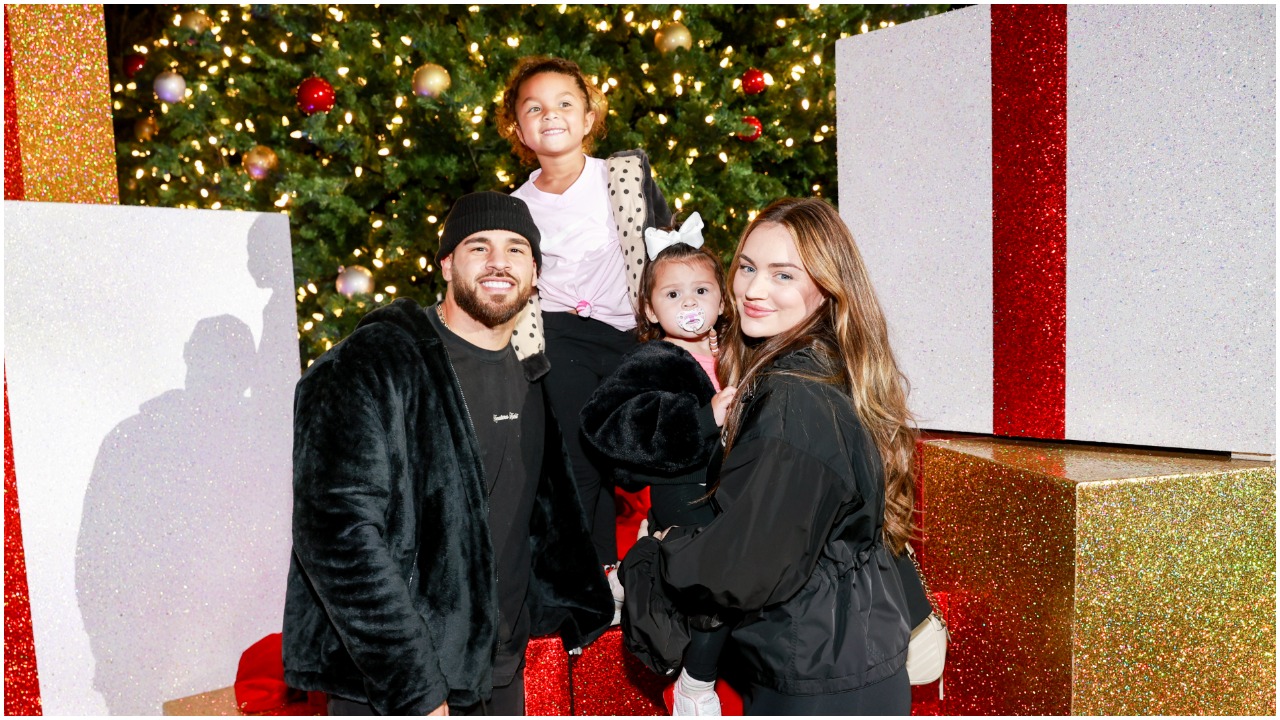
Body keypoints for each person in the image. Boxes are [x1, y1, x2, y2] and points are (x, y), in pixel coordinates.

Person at [283, 191, 614, 716]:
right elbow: (337, 536)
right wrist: (415, 687)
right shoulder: (374, 365)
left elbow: (535, 519)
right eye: (478, 247)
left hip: (498, 673)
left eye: (515, 250)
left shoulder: (531, 378)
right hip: (397, 687)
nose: (498, 262)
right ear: (445, 263)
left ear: (534, 273)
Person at [622, 197, 918, 715]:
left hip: (816, 678)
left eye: (783, 275)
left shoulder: (794, 396)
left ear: (827, 288)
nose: (753, 290)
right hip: (840, 660)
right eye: (748, 268)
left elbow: (740, 566)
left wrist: (652, 556)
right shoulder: (823, 367)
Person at [498, 55, 672, 570]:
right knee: (579, 459)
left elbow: (663, 246)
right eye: (535, 108)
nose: (550, 115)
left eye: (564, 103)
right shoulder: (516, 206)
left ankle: (667, 562)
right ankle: (596, 579)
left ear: (589, 117)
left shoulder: (620, 178)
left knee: (643, 452)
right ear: (519, 128)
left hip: (629, 333)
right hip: (560, 336)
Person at [580, 213, 738, 716]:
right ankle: (696, 684)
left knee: (741, 567)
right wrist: (702, 419)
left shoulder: (736, 353)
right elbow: (604, 424)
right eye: (672, 295)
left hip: (735, 493)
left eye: (700, 291)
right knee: (716, 580)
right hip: (685, 492)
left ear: (721, 300)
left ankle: (634, 570)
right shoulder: (652, 361)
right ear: (649, 308)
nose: (688, 303)